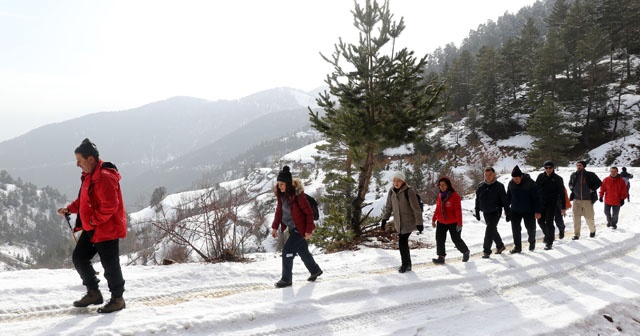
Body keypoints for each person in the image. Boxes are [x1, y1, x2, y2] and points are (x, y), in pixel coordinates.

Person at [56, 138, 127, 313]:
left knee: (110, 265)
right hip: (92, 228)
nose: (77, 164)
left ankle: (118, 299)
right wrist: (70, 209)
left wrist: (92, 221)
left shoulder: (105, 177)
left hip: (106, 230)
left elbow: (110, 206)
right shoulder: (90, 176)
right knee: (79, 258)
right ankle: (93, 293)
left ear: (90, 159)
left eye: (79, 160)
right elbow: (84, 199)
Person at [271, 166, 323, 288]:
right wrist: (274, 227)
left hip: (300, 230)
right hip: (292, 228)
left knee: (287, 251)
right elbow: (279, 213)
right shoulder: (282, 197)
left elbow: (309, 213)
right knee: (303, 251)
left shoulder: (299, 196)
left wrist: (309, 231)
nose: (280, 186)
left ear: (288, 184)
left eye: (282, 184)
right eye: (278, 184)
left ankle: (286, 279)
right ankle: (315, 270)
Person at [381, 171, 423, 273]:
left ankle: (405, 265)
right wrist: (384, 219)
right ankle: (407, 264)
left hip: (408, 222)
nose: (396, 183)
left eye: (398, 181)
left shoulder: (409, 191)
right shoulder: (391, 192)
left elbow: (416, 208)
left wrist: (419, 223)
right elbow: (388, 207)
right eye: (394, 181)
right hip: (399, 223)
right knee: (402, 242)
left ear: (403, 181)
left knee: (402, 242)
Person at [431, 177, 470, 264]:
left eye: (444, 185)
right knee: (439, 239)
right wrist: (434, 219)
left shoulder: (455, 196)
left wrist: (459, 223)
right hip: (441, 221)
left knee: (456, 239)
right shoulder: (440, 196)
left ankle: (465, 251)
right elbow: (438, 208)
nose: (442, 187)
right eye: (440, 185)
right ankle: (441, 257)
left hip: (453, 222)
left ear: (448, 185)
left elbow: (458, 211)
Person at [474, 167, 509, 258]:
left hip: (496, 212)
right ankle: (500, 246)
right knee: (492, 230)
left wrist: (507, 211)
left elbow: (504, 200)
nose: (488, 177)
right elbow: (477, 200)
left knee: (489, 231)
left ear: (494, 175)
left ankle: (486, 251)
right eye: (486, 175)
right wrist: (477, 211)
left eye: (490, 175)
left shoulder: (499, 186)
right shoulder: (480, 186)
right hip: (486, 212)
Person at [507, 166, 541, 253]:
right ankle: (517, 247)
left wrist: (537, 211)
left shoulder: (530, 183)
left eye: (517, 178)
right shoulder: (511, 183)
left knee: (530, 228)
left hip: (528, 210)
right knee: (515, 229)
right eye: (514, 178)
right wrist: (507, 210)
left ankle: (532, 242)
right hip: (515, 211)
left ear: (521, 176)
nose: (516, 180)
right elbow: (508, 197)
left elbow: (537, 198)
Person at [535, 161, 566, 250]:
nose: (548, 169)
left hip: (552, 204)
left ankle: (550, 242)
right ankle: (548, 235)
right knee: (540, 221)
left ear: (553, 168)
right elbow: (536, 190)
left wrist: (563, 207)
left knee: (549, 222)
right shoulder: (540, 177)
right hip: (541, 203)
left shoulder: (558, 178)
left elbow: (562, 193)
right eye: (546, 168)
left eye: (550, 168)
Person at [568, 160, 602, 240]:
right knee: (576, 218)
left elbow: (599, 182)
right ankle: (576, 235)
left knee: (589, 217)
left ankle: (592, 231)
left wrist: (591, 189)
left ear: (583, 166)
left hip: (588, 200)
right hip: (576, 199)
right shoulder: (573, 175)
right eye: (577, 165)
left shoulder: (590, 175)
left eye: (580, 165)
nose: (578, 167)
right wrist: (572, 189)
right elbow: (570, 183)